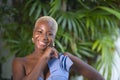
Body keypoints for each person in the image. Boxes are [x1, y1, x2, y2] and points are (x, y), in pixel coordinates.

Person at [12, 16, 105, 80]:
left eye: (50, 34)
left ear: (54, 39)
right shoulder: (20, 62)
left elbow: (98, 78)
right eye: (40, 32)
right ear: (33, 35)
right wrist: (44, 58)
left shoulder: (64, 59)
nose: (44, 37)